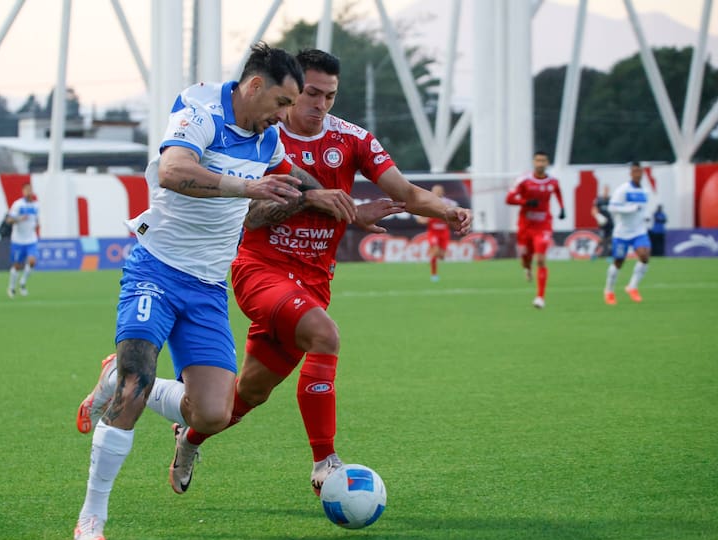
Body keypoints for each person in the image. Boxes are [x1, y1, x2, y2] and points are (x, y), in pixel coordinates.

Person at [76, 49, 472, 500]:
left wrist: (447, 210)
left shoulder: (352, 139)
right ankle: (326, 461)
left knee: (243, 396)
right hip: (259, 270)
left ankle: (190, 439)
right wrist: (312, 200)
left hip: (314, 281)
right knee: (325, 335)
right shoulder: (259, 130)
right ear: (284, 90)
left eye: (329, 96)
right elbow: (251, 217)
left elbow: (402, 190)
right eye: (309, 94)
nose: (318, 104)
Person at [73, 43, 318, 540]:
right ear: (254, 87)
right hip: (155, 271)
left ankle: (112, 375)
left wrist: (337, 201)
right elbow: (174, 171)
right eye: (281, 102)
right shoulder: (201, 113)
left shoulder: (267, 141)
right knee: (135, 389)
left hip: (207, 286)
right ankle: (91, 517)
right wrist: (247, 189)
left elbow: (293, 180)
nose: (284, 115)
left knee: (212, 413)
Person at [505, 151, 565, 309]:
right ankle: (527, 268)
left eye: (543, 160)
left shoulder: (553, 181)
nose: (540, 163)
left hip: (544, 225)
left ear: (547, 162)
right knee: (525, 257)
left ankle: (540, 297)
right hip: (525, 226)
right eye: (538, 160)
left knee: (540, 259)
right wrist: (525, 202)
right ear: (534, 162)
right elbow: (509, 199)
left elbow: (557, 192)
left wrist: (562, 208)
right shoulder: (524, 180)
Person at [604, 162, 651, 304]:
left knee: (644, 256)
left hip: (639, 231)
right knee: (619, 262)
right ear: (630, 173)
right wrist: (630, 209)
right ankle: (609, 291)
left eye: (640, 171)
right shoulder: (623, 190)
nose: (638, 174)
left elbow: (643, 209)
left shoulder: (645, 191)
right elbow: (612, 207)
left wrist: (647, 217)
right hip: (622, 232)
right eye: (635, 171)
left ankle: (632, 287)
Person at [416, 184, 457, 281]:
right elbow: (420, 219)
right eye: (435, 190)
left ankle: (432, 257)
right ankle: (434, 275)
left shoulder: (449, 203)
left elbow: (454, 218)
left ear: (443, 192)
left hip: (444, 233)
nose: (437, 192)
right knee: (435, 251)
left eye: (439, 190)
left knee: (442, 256)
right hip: (433, 233)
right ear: (432, 192)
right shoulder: (428, 203)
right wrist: (425, 220)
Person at [5, 182, 39, 297]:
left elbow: (36, 221)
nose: (29, 192)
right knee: (17, 265)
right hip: (18, 240)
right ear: (23, 191)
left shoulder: (36, 206)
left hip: (31, 240)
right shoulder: (18, 205)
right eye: (27, 190)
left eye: (31, 190)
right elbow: (9, 220)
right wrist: (19, 219)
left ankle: (23, 283)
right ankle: (12, 287)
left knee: (32, 261)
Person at [591, 185, 614, 259]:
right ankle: (594, 254)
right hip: (602, 224)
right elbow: (593, 210)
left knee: (611, 240)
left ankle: (610, 256)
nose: (606, 192)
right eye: (605, 190)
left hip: (610, 223)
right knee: (601, 239)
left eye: (607, 190)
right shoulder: (599, 201)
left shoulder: (611, 200)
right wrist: (598, 217)